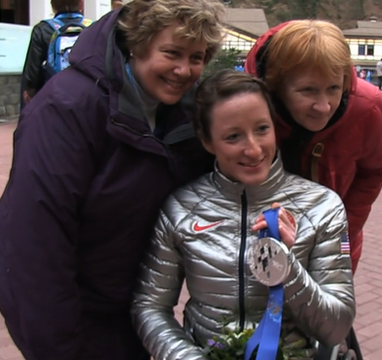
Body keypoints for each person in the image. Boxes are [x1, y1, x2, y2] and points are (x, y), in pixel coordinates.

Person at [0, 1, 226, 359]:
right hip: (79, 321)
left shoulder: (183, 114)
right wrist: (60, 348)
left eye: (197, 57)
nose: (184, 70)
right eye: (172, 53)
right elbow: (34, 243)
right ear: (137, 43)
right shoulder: (66, 108)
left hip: (135, 314)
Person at [131, 70, 355, 360]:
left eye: (262, 129)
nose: (252, 149)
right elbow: (149, 307)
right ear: (207, 141)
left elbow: (336, 329)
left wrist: (287, 268)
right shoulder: (181, 209)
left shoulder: (323, 207)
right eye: (233, 136)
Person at [244, 20, 382, 273]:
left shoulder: (368, 107)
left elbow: (375, 171)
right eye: (308, 90)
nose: (324, 106)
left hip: (333, 243)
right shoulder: (245, 106)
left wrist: (341, 228)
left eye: (333, 88)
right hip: (256, 241)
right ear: (275, 85)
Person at [20, 0, 90, 109]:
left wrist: (30, 90)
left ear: (52, 6)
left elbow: (33, 69)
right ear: (81, 4)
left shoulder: (43, 29)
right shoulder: (94, 28)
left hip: (54, 96)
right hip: (87, 95)